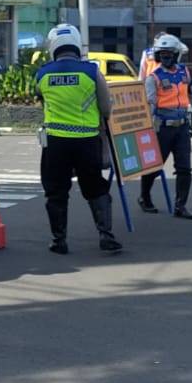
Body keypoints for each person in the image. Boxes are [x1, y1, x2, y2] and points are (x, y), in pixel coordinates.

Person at [36, 23, 119, 255]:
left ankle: (58, 240)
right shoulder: (91, 72)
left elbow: (42, 100)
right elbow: (105, 107)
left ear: (53, 46)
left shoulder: (42, 73)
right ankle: (106, 236)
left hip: (54, 142)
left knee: (55, 191)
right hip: (87, 141)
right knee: (95, 188)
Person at [138, 34, 192, 219]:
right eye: (163, 54)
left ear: (177, 54)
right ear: (158, 56)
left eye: (170, 54)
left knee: (185, 169)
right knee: (154, 166)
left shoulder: (184, 72)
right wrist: (148, 126)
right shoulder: (153, 78)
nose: (166, 57)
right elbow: (150, 104)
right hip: (163, 128)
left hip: (183, 127)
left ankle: (180, 206)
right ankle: (144, 197)